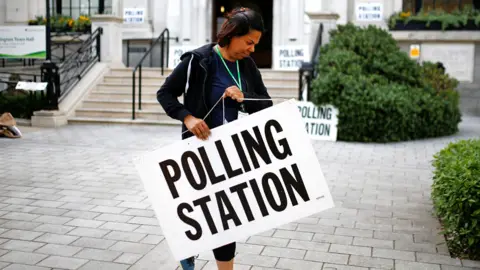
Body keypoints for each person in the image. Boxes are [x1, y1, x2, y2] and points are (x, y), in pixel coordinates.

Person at [156, 6, 273, 270]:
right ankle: (188, 246)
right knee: (199, 213)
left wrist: (244, 99)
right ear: (231, 35)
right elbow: (165, 94)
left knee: (225, 220)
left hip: (231, 155)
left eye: (256, 44)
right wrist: (188, 118)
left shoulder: (248, 66)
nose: (252, 49)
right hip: (198, 153)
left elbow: (266, 105)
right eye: (249, 42)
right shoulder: (198, 60)